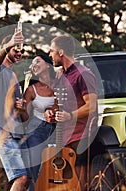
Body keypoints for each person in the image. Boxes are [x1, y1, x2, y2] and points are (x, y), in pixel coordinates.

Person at [45, 35, 98, 191]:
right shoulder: (61, 74)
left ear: (61, 52)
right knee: (67, 185)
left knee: (81, 184)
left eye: (51, 51)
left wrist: (70, 116)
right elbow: (61, 104)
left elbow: (92, 106)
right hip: (64, 138)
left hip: (80, 137)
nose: (49, 54)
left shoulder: (83, 74)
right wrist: (52, 113)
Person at [0, 28, 31, 191]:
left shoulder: (13, 76)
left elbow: (24, 117)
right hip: (3, 136)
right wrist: (9, 44)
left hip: (19, 135)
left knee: (27, 181)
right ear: (6, 49)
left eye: (21, 50)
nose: (19, 53)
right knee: (21, 177)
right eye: (15, 49)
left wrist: (22, 109)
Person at [15, 54, 57, 189]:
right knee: (35, 168)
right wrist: (21, 110)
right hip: (36, 130)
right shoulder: (30, 90)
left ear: (48, 65)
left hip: (59, 128)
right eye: (32, 64)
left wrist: (53, 109)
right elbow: (25, 119)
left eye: (38, 61)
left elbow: (66, 102)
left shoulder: (61, 84)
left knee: (57, 165)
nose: (34, 65)